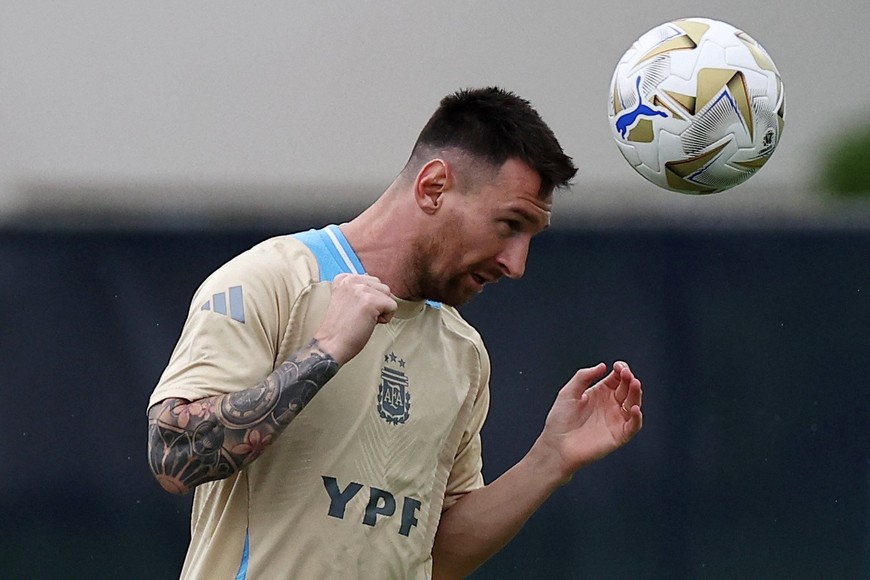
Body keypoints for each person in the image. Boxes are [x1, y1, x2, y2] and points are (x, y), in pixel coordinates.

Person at [147, 87, 644, 579]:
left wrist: (549, 460)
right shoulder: (273, 280)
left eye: (530, 237)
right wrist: (324, 354)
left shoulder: (463, 351)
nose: (516, 264)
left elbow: (434, 556)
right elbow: (174, 457)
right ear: (433, 187)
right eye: (508, 225)